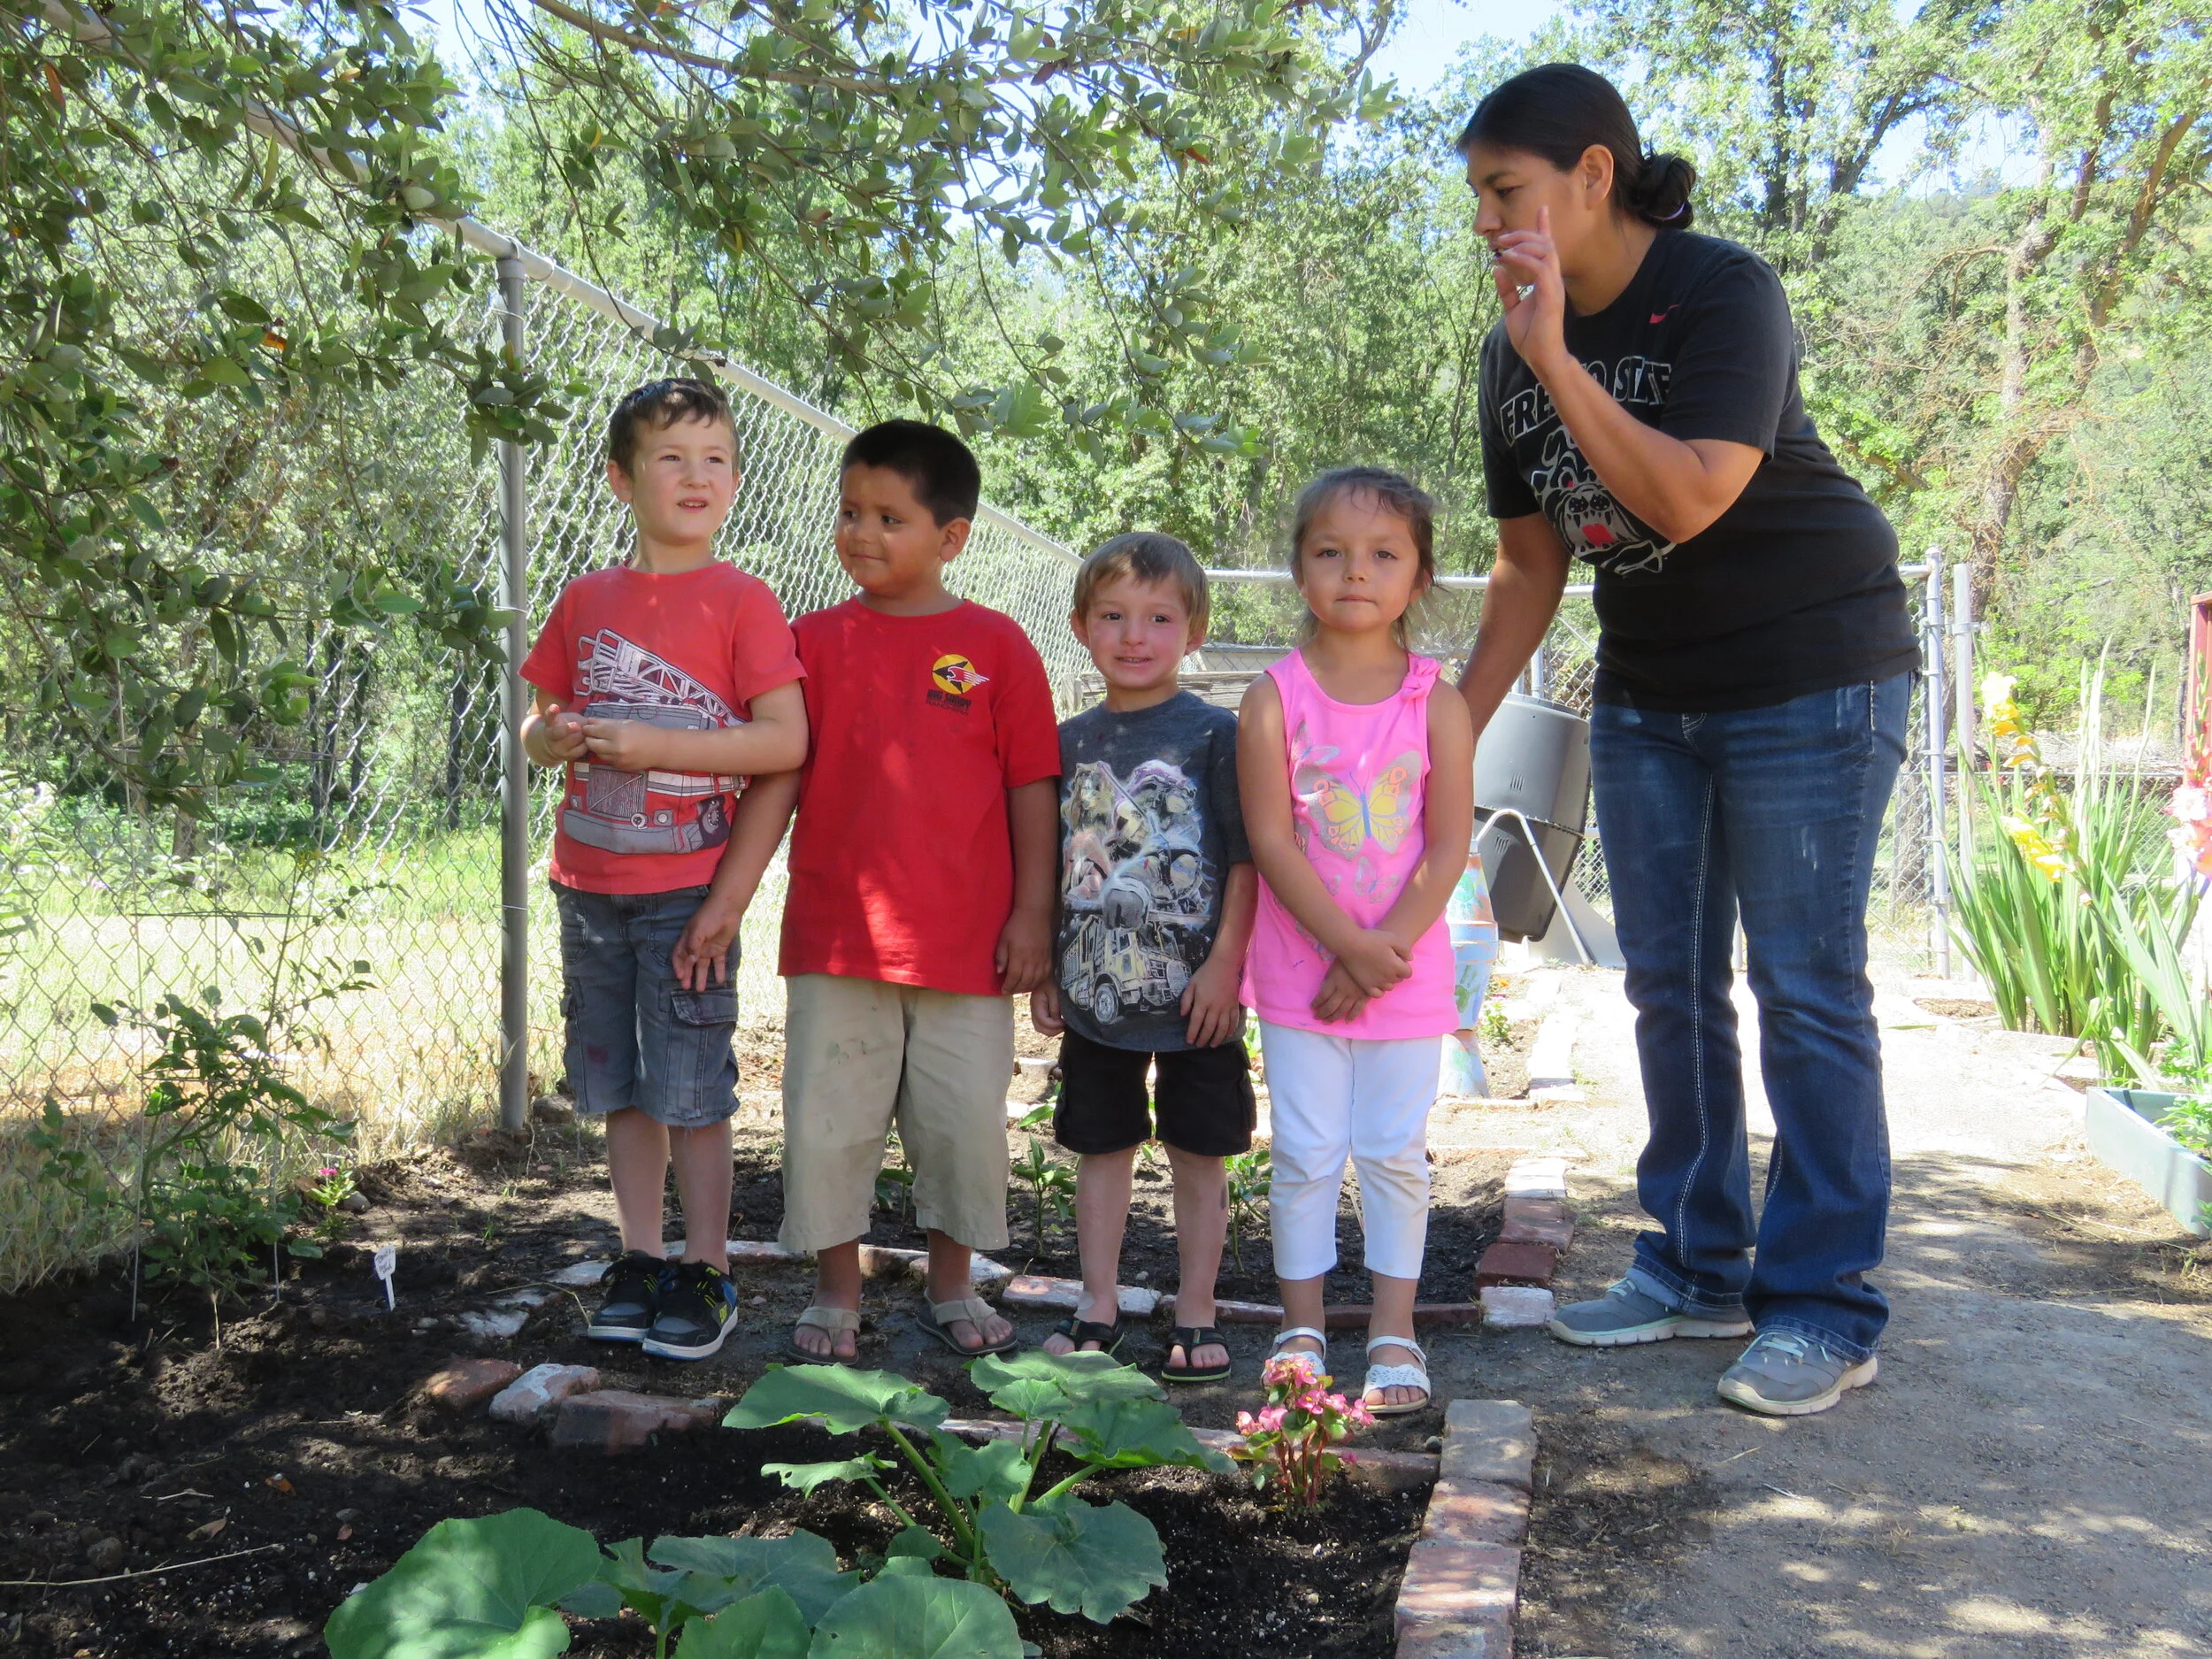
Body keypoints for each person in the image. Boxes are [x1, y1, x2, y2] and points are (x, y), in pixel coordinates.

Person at [1455, 64, 1917, 1417]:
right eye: (1477, 195)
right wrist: (1445, 728)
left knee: (1806, 984)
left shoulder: (1721, 291)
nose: (1486, 220)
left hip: (1812, 670)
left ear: (1593, 174)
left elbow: (1695, 495)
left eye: (1505, 189)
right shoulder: (1506, 349)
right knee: (1667, 982)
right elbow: (1529, 565)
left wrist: (1557, 357)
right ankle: (1697, 1262)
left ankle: (1824, 1306)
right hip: (1652, 689)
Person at [740, 419, 1061, 1362]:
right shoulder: (809, 643)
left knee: (961, 1126)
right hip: (838, 936)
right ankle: (836, 1291)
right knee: (828, 1121)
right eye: (850, 512)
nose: (861, 532)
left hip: (968, 945)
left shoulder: (997, 646)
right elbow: (779, 779)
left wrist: (1033, 913)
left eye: (889, 517)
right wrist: (729, 898)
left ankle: (952, 1283)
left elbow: (1031, 787)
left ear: (950, 536)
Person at [518, 377, 810, 1361]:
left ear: (735, 480)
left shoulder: (743, 600)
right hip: (588, 891)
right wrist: (553, 738)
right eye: (672, 457)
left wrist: (655, 747)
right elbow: (535, 724)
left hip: (685, 892)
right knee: (619, 1085)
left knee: (690, 1085)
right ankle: (641, 1257)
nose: (697, 475)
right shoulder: (585, 599)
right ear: (621, 479)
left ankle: (707, 1268)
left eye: (716, 458)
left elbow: (784, 741)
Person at [1238, 467, 1474, 1417]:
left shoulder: (1436, 702)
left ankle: (1392, 1330)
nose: (1356, 572)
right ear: (1300, 570)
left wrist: (1381, 953)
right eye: (1330, 552)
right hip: (1302, 976)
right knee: (1303, 1151)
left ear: (1419, 577)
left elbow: (1447, 844)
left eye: (1383, 554)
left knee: (1392, 1152)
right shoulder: (1272, 698)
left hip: (1402, 977)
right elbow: (1270, 839)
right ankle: (1300, 1328)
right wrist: (1346, 947)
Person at [1029, 533, 1258, 1383]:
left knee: (1199, 1151)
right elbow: (1051, 862)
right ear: (1081, 626)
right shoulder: (1065, 741)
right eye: (1114, 616)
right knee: (1102, 1145)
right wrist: (1049, 964)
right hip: (1096, 994)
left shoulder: (1217, 734)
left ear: (1195, 631)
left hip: (1197, 994)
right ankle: (1097, 1303)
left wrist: (1226, 965)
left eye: (1160, 618)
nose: (1135, 636)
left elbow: (1247, 860)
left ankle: (1196, 1307)